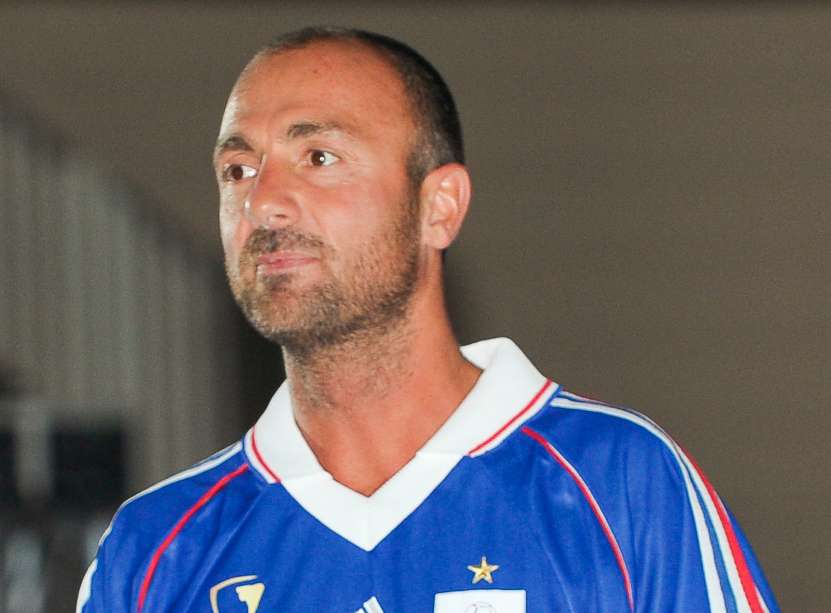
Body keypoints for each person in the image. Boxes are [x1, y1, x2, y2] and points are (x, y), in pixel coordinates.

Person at [77, 27, 779, 613]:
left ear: (439, 207)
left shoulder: (620, 484)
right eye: (238, 170)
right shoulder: (156, 551)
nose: (263, 202)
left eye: (318, 157)